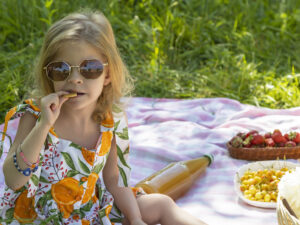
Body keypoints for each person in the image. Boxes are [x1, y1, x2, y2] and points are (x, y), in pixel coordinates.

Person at [0, 10, 207, 225]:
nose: (75, 79)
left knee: (161, 204)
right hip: (42, 215)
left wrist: (135, 218)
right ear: (49, 74)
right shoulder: (35, 117)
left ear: (107, 75)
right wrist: (44, 126)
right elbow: (14, 181)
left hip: (91, 209)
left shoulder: (111, 120)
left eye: (89, 69)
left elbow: (114, 180)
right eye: (61, 69)